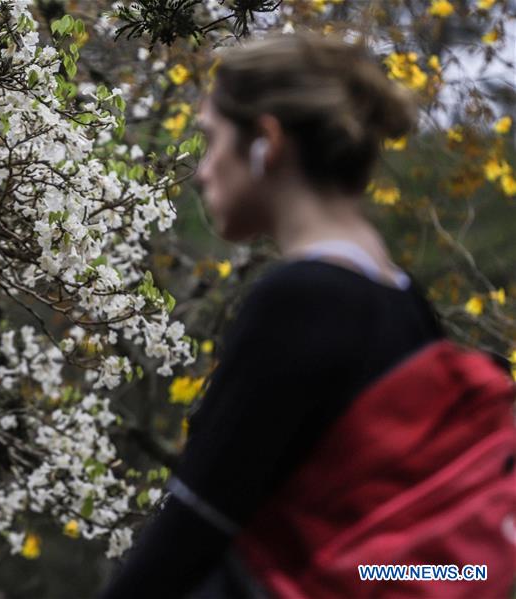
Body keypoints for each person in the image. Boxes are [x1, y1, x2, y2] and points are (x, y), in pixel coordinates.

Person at [97, 30, 515, 598]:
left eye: (212, 140)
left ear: (267, 141)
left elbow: (195, 523)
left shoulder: (301, 300)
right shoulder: (401, 299)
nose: (202, 170)